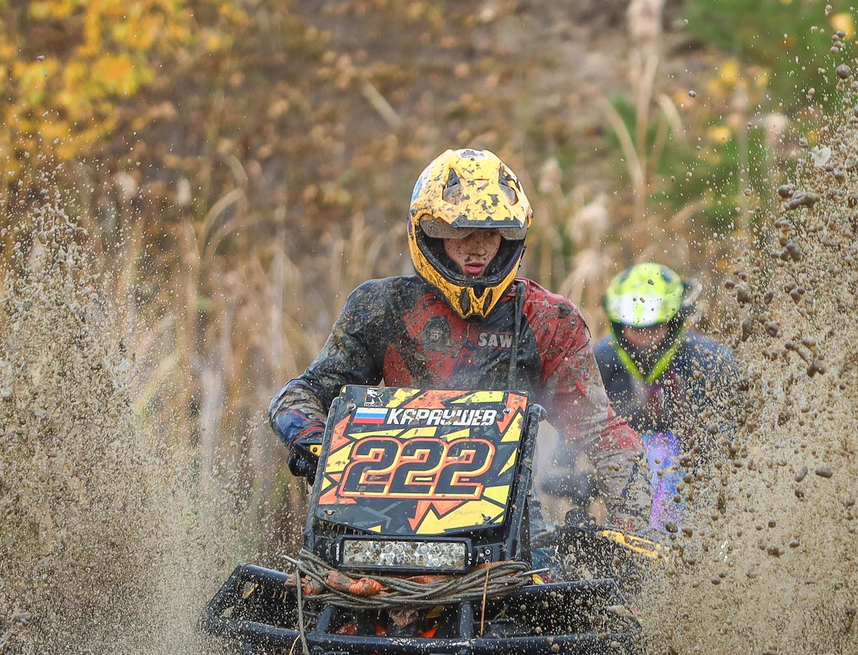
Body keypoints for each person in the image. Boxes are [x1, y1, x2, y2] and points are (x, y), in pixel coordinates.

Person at [270, 148, 652, 538]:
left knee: (584, 593)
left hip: (511, 531)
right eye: (460, 231)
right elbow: (300, 394)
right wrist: (319, 444)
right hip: (380, 516)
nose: (478, 247)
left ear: (510, 234)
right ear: (430, 231)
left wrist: (628, 531)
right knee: (280, 595)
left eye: (491, 231)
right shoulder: (381, 306)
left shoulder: (547, 319)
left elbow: (605, 435)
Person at [590, 262, 741, 535]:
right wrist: (578, 476)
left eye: (654, 327)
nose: (643, 338)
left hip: (698, 483)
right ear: (617, 325)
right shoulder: (599, 361)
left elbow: (734, 435)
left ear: (674, 323)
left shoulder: (710, 360)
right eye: (634, 328)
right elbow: (575, 422)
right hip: (623, 477)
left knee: (661, 448)